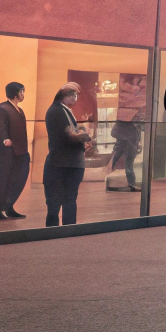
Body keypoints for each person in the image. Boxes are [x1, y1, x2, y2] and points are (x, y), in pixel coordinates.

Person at [43, 83, 93, 227]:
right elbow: (68, 135)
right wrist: (83, 137)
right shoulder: (57, 111)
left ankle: (64, 230)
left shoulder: (62, 110)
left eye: (75, 95)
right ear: (64, 96)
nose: (75, 98)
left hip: (65, 162)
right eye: (72, 95)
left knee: (63, 200)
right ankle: (64, 230)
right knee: (59, 200)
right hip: (63, 162)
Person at [0, 83, 29, 221]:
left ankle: (8, 206)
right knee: (3, 179)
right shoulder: (2, 109)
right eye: (22, 91)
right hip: (6, 152)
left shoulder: (19, 110)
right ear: (16, 92)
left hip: (20, 151)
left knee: (18, 178)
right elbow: (0, 128)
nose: (23, 94)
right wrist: (5, 139)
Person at [107, 113, 142, 192]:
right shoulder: (123, 123)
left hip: (129, 146)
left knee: (128, 165)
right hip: (126, 146)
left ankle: (131, 184)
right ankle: (130, 184)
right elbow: (114, 132)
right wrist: (126, 140)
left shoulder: (131, 124)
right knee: (124, 165)